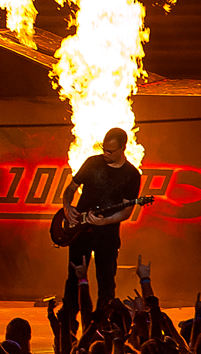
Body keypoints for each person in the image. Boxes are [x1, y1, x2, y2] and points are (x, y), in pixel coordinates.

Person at [56, 127, 143, 318]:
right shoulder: (92, 163)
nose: (106, 154)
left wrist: (107, 221)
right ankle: (69, 317)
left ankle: (104, 322)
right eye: (104, 149)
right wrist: (67, 206)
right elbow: (71, 188)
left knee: (106, 281)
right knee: (74, 276)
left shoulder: (131, 175)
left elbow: (127, 210)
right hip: (80, 231)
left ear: (123, 148)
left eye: (110, 151)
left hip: (107, 235)